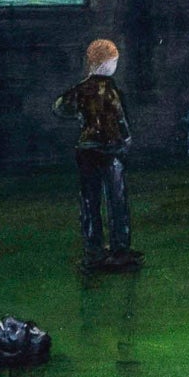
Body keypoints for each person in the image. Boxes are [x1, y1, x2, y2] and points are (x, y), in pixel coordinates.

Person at [56, 36, 140, 271]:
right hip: (111, 150)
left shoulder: (81, 88)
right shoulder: (111, 90)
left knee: (90, 201)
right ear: (108, 64)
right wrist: (126, 139)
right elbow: (120, 117)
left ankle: (93, 251)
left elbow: (60, 107)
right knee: (117, 200)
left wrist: (81, 116)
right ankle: (120, 249)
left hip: (86, 149)